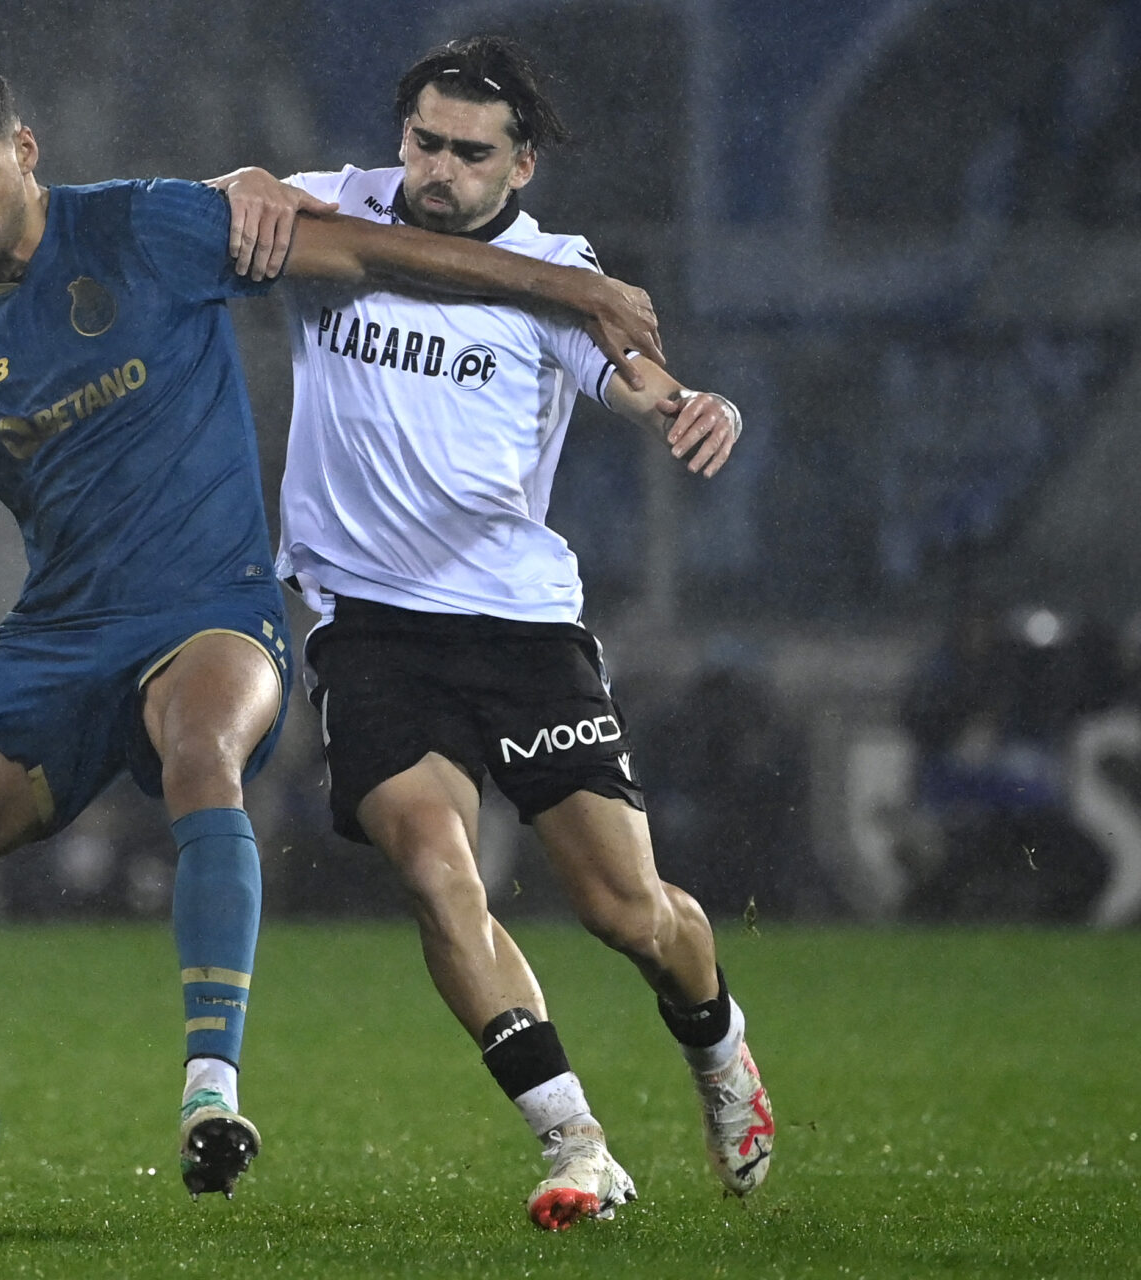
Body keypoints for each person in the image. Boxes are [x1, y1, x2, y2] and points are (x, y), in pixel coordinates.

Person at [0, 56, 662, 1229]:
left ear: (28, 152)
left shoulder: (148, 227)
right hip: (56, 641)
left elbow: (374, 253)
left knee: (203, 753)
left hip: (215, 609)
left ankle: (212, 1089)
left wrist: (571, 292)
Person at [211, 36, 774, 1230]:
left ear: (519, 167)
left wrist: (683, 401)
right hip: (366, 626)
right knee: (434, 866)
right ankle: (575, 1141)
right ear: (398, 135)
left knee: (626, 910)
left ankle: (720, 1045)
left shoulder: (556, 269)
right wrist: (247, 179)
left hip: (520, 629)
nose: (440, 170)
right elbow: (226, 205)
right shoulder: (346, 203)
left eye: (472, 153)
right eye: (425, 141)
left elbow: (626, 370)